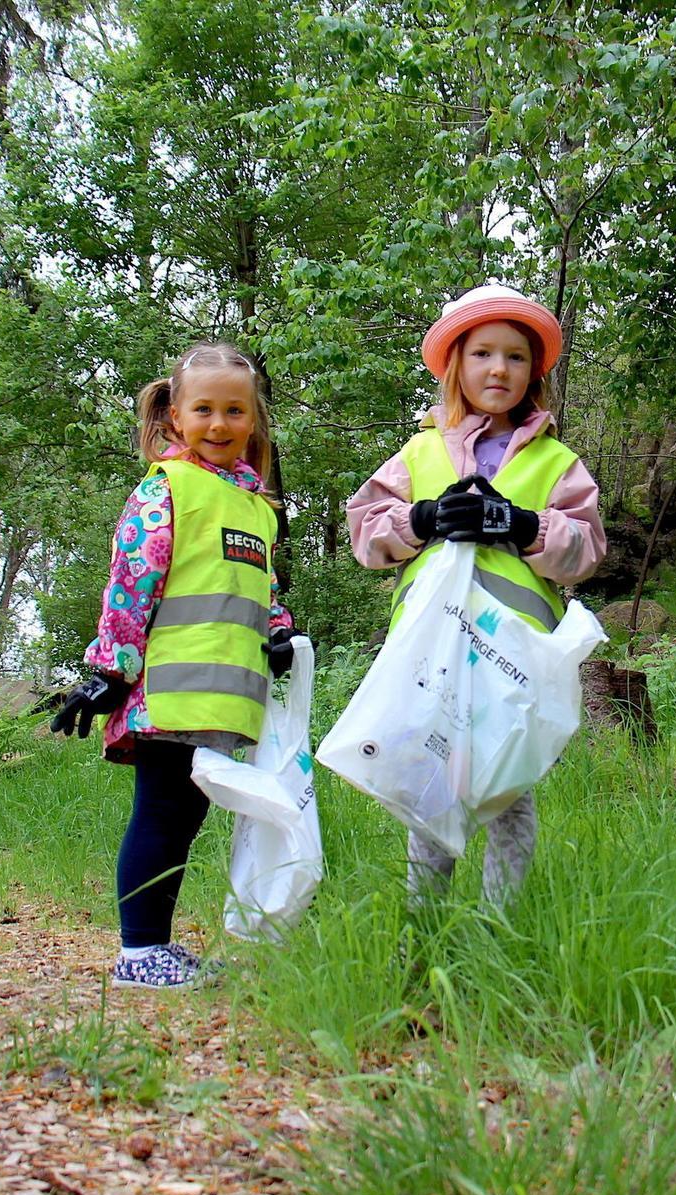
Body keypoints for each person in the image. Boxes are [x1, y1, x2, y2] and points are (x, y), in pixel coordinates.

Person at [345, 284, 607, 909]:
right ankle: (422, 925)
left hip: (510, 659)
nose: (499, 369)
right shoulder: (421, 451)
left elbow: (587, 547)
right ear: (456, 366)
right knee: (432, 786)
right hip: (433, 651)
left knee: (508, 788)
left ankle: (499, 930)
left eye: (516, 357)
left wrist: (522, 526)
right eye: (483, 353)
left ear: (534, 372)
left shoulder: (555, 461)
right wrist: (424, 519)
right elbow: (366, 530)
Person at [52, 343, 297, 989]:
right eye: (205, 409)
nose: (219, 423)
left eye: (234, 410)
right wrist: (109, 671)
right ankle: (139, 952)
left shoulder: (258, 509)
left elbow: (257, 590)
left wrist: (278, 632)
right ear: (177, 418)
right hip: (167, 692)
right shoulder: (166, 489)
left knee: (185, 820)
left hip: (223, 698)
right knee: (161, 815)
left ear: (253, 419)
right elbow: (133, 580)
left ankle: (155, 946)